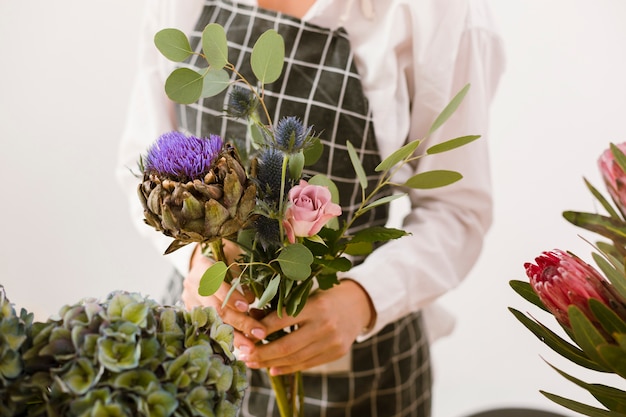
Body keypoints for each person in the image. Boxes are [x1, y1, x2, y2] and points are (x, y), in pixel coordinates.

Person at [116, 0, 505, 415]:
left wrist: (365, 298)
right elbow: (143, 163)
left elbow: (456, 210)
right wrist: (197, 263)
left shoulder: (441, 14)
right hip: (199, 352)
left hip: (358, 379)